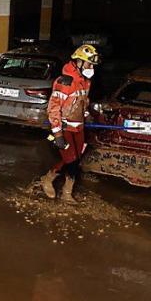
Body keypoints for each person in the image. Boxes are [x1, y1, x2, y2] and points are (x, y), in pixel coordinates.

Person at [40, 44, 100, 203]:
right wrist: (57, 134)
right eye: (89, 64)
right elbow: (53, 109)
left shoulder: (85, 82)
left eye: (93, 65)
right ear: (78, 62)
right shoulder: (64, 82)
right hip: (63, 128)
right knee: (71, 161)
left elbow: (82, 103)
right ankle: (64, 192)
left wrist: (86, 115)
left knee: (75, 159)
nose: (91, 67)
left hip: (78, 127)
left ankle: (50, 179)